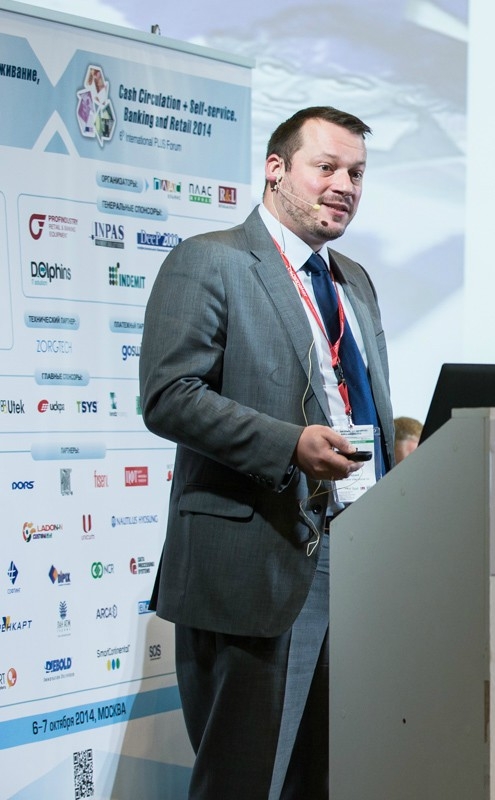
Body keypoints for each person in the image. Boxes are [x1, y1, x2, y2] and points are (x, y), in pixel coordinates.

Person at [140, 106, 395, 800]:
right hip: (257, 562)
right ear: (276, 169)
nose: (344, 185)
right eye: (327, 167)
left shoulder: (354, 280)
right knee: (245, 782)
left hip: (357, 556)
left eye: (357, 173)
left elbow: (363, 408)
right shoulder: (211, 260)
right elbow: (169, 395)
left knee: (327, 779)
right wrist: (289, 445)